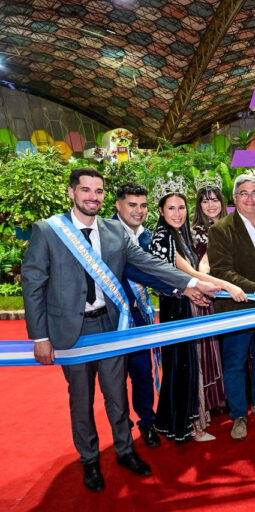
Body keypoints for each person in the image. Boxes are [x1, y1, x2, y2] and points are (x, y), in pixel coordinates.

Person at [21, 168, 219, 492]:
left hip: (110, 326)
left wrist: (190, 281)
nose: (92, 197)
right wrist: (40, 337)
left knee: (117, 396)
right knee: (81, 400)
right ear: (72, 193)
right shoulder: (49, 231)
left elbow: (149, 264)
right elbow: (33, 284)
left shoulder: (114, 231)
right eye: (85, 190)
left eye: (98, 191)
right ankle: (89, 460)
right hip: (71, 331)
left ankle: (126, 450)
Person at [150, 186, 247, 444]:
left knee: (189, 366)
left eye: (181, 207)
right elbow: (189, 273)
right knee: (184, 366)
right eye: (171, 208)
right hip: (177, 308)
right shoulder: (164, 237)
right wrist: (226, 285)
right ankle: (189, 426)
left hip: (187, 304)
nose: (177, 213)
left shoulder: (179, 235)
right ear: (160, 211)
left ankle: (186, 422)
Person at [208, 174, 255, 441]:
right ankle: (238, 415)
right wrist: (254, 287)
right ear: (235, 198)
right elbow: (222, 270)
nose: (250, 198)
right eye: (244, 193)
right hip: (237, 308)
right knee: (235, 363)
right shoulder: (221, 229)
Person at [113, 182, 172, 448]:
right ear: (118, 205)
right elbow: (135, 272)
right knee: (113, 377)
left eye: (143, 205)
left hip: (140, 317)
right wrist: (181, 286)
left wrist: (181, 286)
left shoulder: (148, 237)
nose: (139, 211)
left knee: (142, 372)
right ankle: (121, 429)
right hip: (110, 320)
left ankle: (147, 422)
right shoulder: (105, 234)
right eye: (132, 205)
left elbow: (157, 272)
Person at [190, 184, 229, 416]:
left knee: (233, 346)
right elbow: (198, 265)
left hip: (232, 297)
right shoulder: (192, 231)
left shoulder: (233, 226)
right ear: (198, 205)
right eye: (205, 201)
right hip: (208, 295)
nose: (211, 205)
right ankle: (215, 398)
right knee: (211, 348)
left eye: (215, 200)